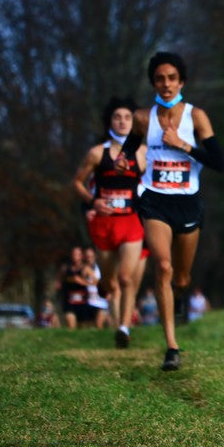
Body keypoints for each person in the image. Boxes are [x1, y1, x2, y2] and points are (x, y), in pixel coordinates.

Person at [117, 51, 224, 370]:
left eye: (172, 78)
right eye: (160, 78)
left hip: (188, 201)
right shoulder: (142, 118)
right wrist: (125, 160)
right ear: (153, 82)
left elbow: (219, 162)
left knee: (181, 277)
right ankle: (172, 346)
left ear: (182, 82)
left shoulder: (196, 117)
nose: (166, 84)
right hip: (155, 200)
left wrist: (183, 145)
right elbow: (129, 147)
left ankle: (179, 297)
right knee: (162, 267)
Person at [73, 97, 146, 347]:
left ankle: (123, 328)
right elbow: (77, 182)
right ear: (110, 122)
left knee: (126, 278)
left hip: (131, 222)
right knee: (109, 282)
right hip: (104, 224)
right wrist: (93, 203)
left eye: (128, 117)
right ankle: (114, 314)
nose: (123, 122)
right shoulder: (97, 153)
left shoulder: (142, 152)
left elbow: (151, 184)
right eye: (118, 117)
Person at [58, 246, 99, 329]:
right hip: (69, 301)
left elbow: (96, 282)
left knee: (83, 328)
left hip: (82, 302)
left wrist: (83, 282)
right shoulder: (65, 268)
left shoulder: (86, 269)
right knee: (71, 325)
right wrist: (60, 284)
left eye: (77, 254)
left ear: (81, 256)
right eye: (73, 254)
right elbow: (59, 280)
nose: (75, 256)